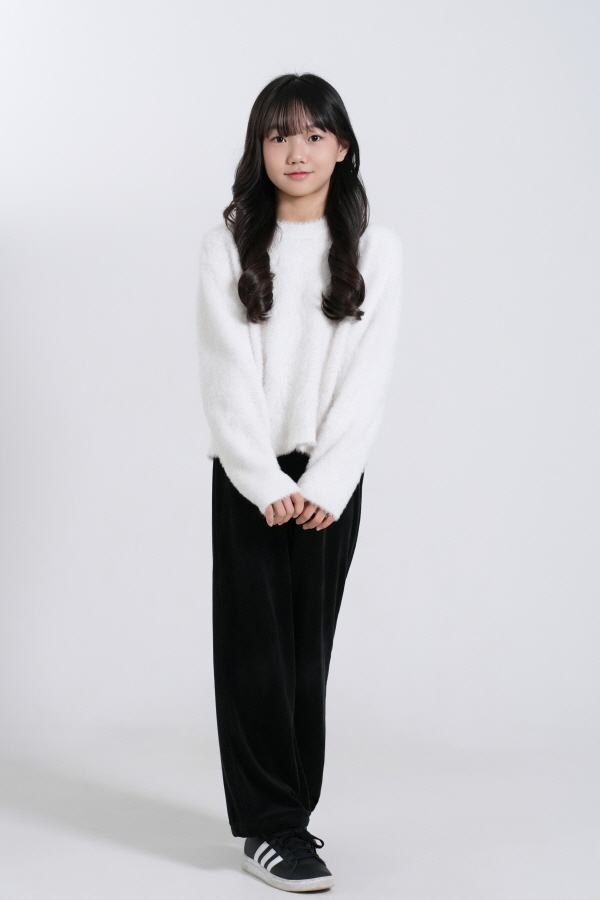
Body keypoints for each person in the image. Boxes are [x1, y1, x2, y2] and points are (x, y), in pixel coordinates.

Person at [195, 72, 403, 892]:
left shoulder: (377, 251)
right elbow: (225, 370)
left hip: (329, 484)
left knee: (306, 657)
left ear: (342, 147)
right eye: (280, 134)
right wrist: (258, 477)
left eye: (315, 134)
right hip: (250, 475)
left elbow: (368, 378)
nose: (297, 150)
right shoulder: (227, 244)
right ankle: (269, 826)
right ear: (260, 147)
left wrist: (327, 483)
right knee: (255, 654)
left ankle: (292, 821)